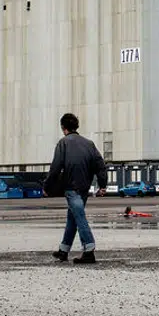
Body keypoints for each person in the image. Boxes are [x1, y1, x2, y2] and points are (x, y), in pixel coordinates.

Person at [46, 112, 107, 264]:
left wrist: (47, 186)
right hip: (84, 188)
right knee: (73, 217)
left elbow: (55, 168)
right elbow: (100, 166)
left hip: (71, 187)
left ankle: (89, 249)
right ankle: (64, 250)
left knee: (79, 217)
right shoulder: (89, 144)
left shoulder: (63, 143)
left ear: (63, 127)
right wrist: (103, 185)